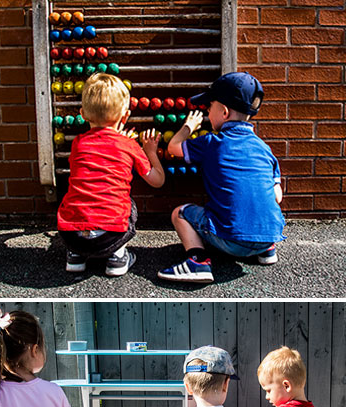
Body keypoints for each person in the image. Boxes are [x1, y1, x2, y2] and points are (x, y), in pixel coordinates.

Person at [158, 72, 284, 283]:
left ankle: (197, 262)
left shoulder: (211, 143)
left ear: (224, 112)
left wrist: (189, 127)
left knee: (179, 213)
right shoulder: (265, 149)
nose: (207, 111)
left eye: (210, 107)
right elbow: (277, 197)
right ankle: (266, 251)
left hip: (231, 241)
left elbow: (173, 147)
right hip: (269, 235)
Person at [57, 73, 164, 277]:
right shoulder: (129, 145)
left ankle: (75, 257)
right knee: (125, 202)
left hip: (71, 236)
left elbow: (100, 154)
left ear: (83, 114)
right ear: (125, 117)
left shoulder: (78, 144)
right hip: (109, 237)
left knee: (78, 197)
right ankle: (117, 257)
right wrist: (150, 152)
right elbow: (157, 181)